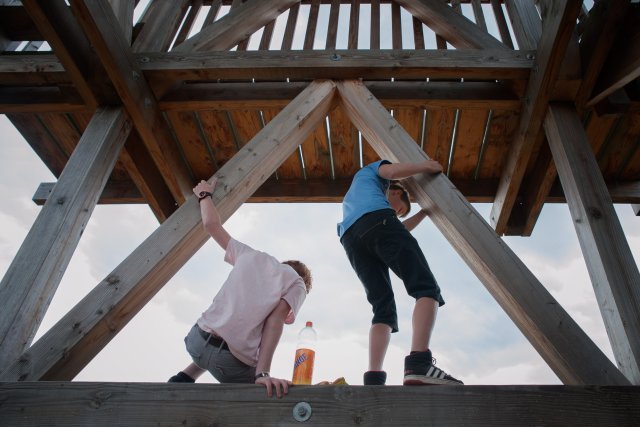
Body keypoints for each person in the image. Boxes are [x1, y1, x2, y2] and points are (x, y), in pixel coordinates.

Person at [168, 178, 313, 398]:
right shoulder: (297, 283)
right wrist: (262, 373)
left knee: (226, 336)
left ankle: (183, 378)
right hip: (228, 361)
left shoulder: (249, 254)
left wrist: (204, 195)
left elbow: (211, 225)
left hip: (196, 340)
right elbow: (274, 323)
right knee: (264, 393)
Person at [337, 159, 463, 386]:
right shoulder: (374, 172)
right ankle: (419, 363)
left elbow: (396, 229)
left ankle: (373, 377)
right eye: (399, 209)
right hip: (377, 222)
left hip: (350, 238)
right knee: (426, 287)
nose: (397, 213)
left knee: (382, 308)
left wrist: (425, 213)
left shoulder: (358, 196)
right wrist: (428, 165)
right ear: (394, 191)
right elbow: (394, 172)